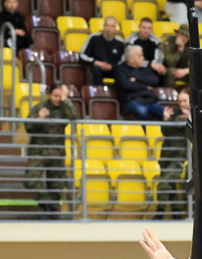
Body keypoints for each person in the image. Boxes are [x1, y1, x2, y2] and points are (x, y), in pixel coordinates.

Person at [23, 83, 78, 219]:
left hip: (57, 153)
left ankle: (52, 211)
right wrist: (39, 118)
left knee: (56, 185)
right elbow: (28, 126)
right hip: (38, 152)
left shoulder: (64, 108)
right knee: (31, 181)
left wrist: (65, 100)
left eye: (60, 96)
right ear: (49, 95)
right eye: (55, 96)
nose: (58, 99)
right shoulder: (40, 107)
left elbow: (74, 117)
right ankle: (48, 204)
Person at [155, 88, 191, 218]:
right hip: (166, 154)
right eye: (179, 101)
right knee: (170, 183)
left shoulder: (196, 115)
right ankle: (176, 213)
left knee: (164, 183)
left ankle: (160, 212)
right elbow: (166, 132)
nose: (182, 103)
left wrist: (189, 118)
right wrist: (165, 120)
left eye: (184, 100)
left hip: (179, 156)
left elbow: (192, 133)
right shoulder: (174, 113)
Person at [115, 45, 168, 121]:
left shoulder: (144, 69)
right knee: (142, 111)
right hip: (131, 102)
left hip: (149, 100)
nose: (143, 58)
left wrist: (136, 79)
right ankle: (145, 131)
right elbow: (126, 85)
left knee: (165, 112)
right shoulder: (121, 70)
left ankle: (156, 131)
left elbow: (154, 80)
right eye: (140, 56)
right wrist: (146, 86)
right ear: (130, 59)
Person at [79, 16, 126, 84]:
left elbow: (123, 61)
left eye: (112, 26)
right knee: (95, 69)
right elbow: (82, 56)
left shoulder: (120, 42)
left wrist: (111, 66)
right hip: (98, 67)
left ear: (115, 28)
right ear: (103, 26)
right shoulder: (94, 38)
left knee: (122, 71)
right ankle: (100, 93)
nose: (109, 28)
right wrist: (96, 62)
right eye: (107, 25)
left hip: (113, 69)